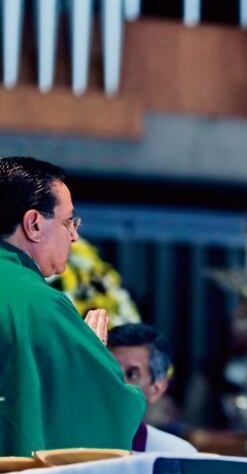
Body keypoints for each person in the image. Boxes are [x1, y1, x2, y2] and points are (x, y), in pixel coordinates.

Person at [0, 156, 145, 455]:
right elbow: (109, 406)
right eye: (68, 222)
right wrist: (87, 357)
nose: (75, 236)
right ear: (34, 224)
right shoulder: (39, 305)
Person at [108, 323, 198, 454]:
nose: (117, 384)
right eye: (110, 371)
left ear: (157, 388)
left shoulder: (176, 454)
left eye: (132, 374)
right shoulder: (72, 444)